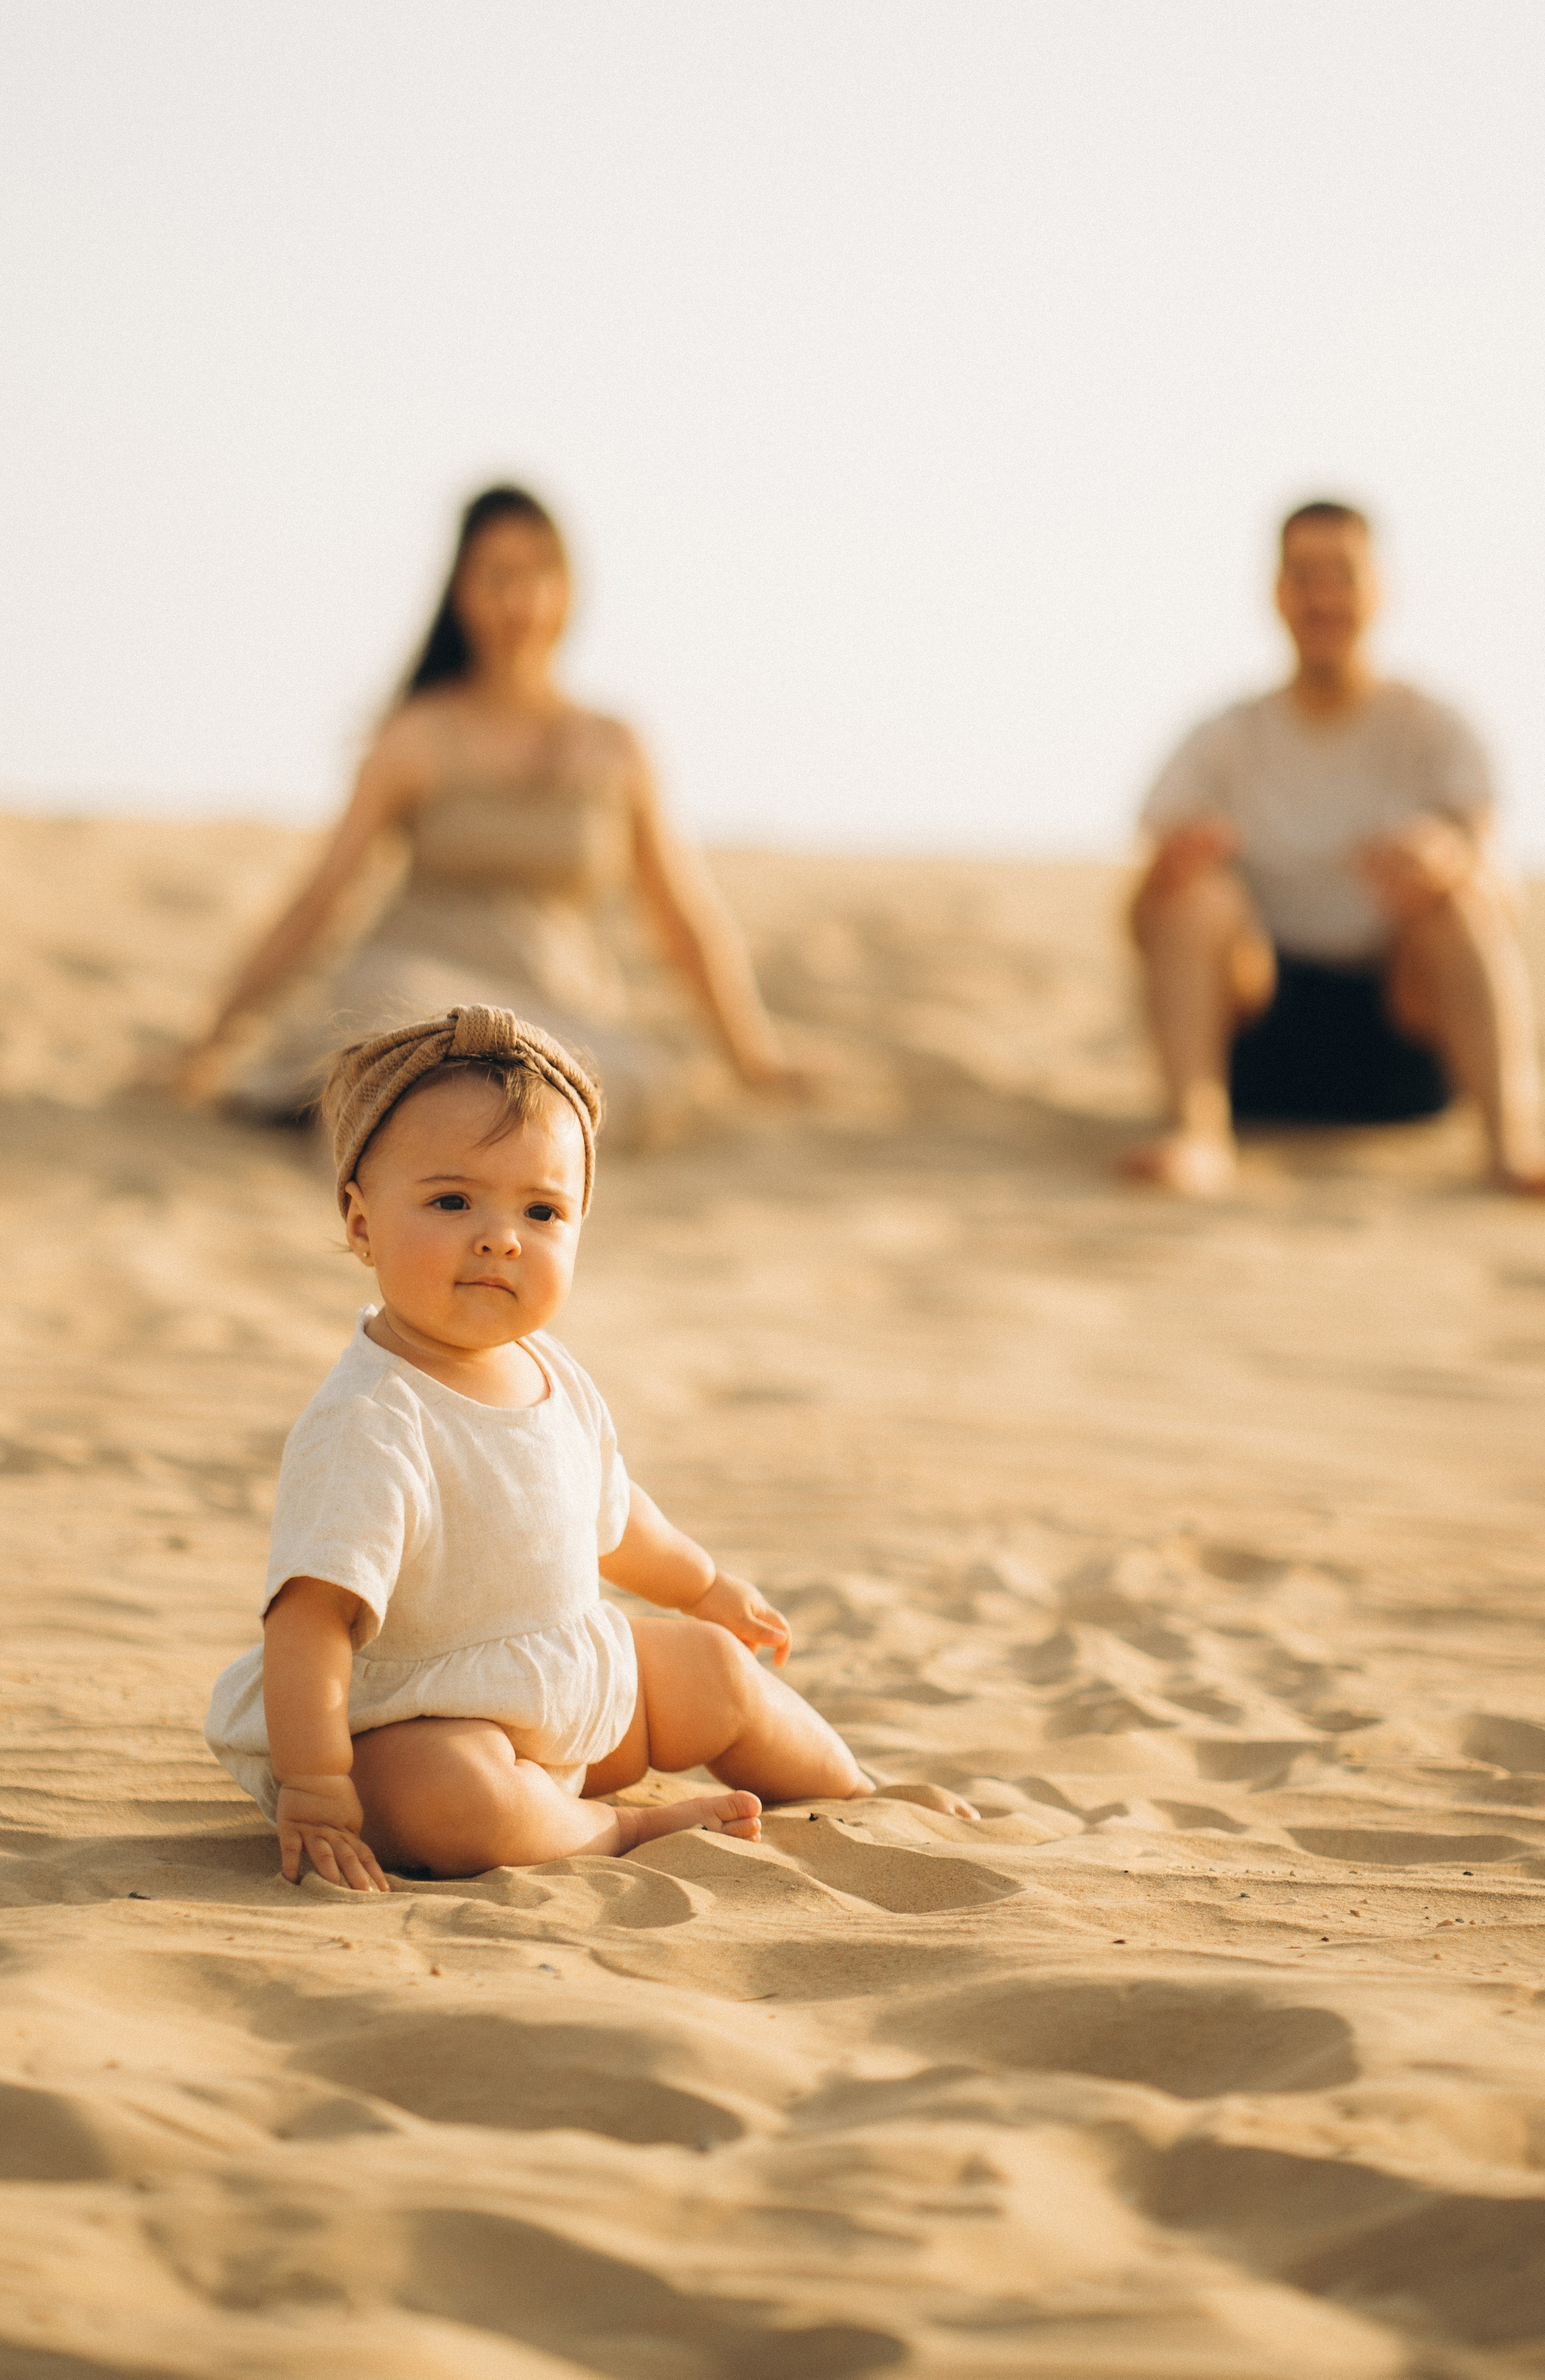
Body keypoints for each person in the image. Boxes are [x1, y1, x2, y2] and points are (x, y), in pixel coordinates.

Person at [205, 1003, 973, 1888]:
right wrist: (314, 1784)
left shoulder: (553, 1373)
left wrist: (706, 1585)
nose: (501, 1236)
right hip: (415, 1719)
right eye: (451, 1200)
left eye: (542, 1210)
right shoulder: (374, 1419)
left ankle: (854, 1791)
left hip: (565, 1689)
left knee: (715, 1670)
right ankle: (610, 1829)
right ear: (362, 1222)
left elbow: (615, 1512)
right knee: (452, 1801)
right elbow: (310, 1622)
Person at [176, 485, 797, 1140]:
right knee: (417, 1054)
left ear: (568, 586)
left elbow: (681, 917)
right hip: (413, 982)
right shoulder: (418, 735)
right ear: (460, 591)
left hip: (558, 1004)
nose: (519, 599)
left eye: (539, 573)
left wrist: (755, 1061)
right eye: (496, 576)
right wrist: (207, 1044)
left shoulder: (615, 745)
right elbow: (321, 898)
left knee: (628, 1083)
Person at [1123, 501, 1545, 1199]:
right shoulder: (1223, 739)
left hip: (1403, 1047)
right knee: (1191, 898)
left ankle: (1507, 1149)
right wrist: (1169, 875)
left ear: (1380, 588)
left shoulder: (1434, 731)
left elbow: (1502, 894)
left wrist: (1444, 858)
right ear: (1277, 592)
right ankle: (1196, 1133)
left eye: (1341, 574)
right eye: (1304, 576)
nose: (1323, 597)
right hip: (1254, 1045)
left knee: (1454, 897)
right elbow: (1137, 922)